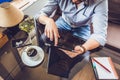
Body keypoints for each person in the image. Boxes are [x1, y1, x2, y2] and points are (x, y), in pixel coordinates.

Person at [35, 0, 108, 58]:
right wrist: (48, 20)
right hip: (63, 22)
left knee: (79, 56)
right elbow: (40, 14)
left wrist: (83, 48)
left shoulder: (100, 2)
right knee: (45, 39)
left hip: (83, 27)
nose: (73, 1)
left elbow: (100, 35)